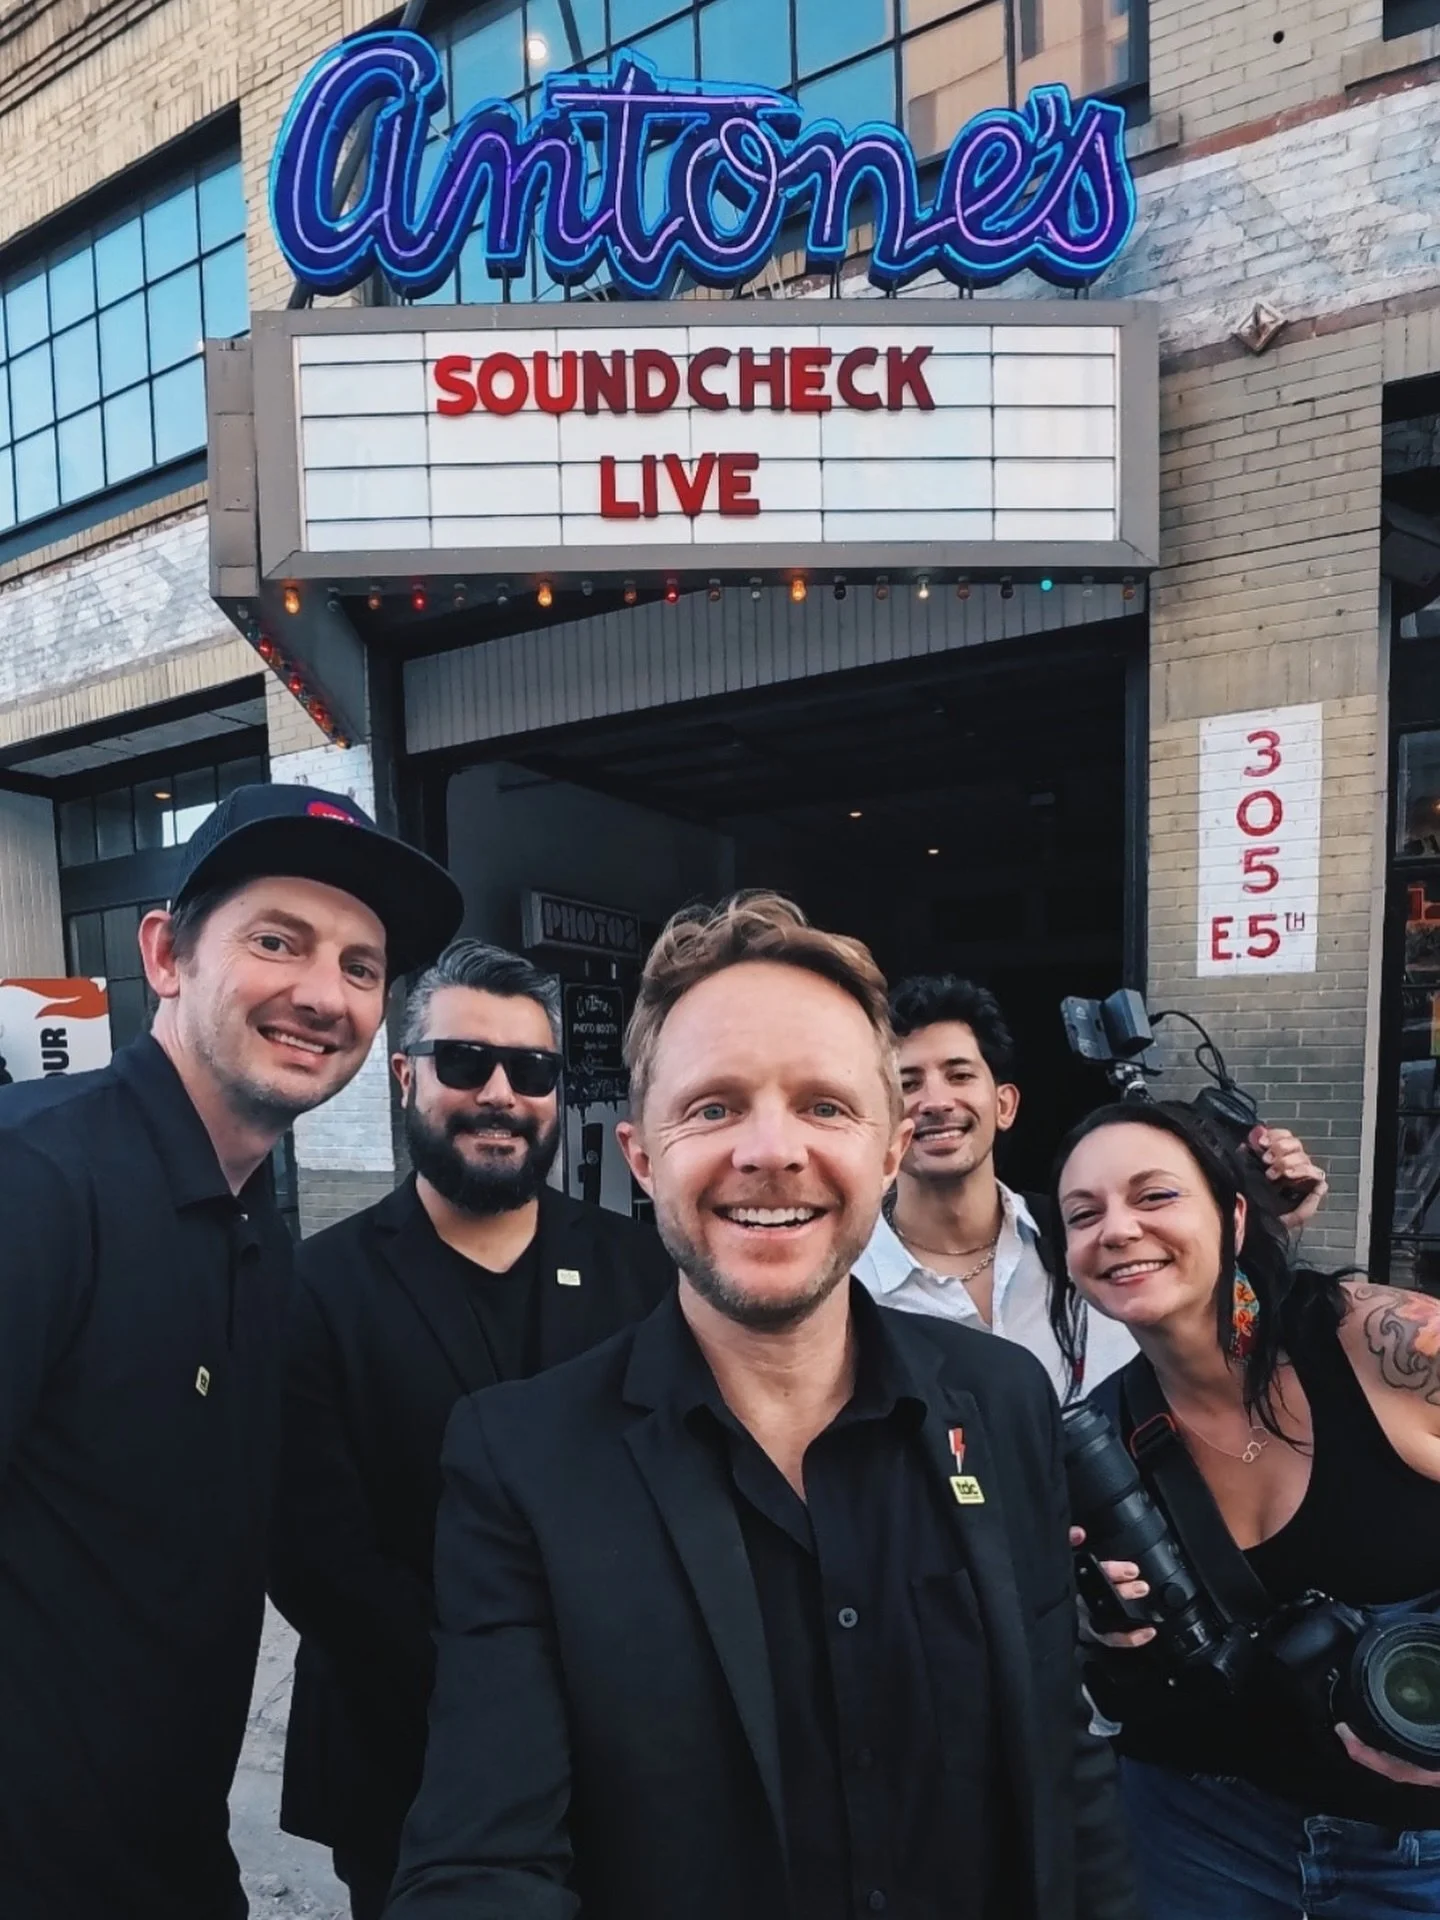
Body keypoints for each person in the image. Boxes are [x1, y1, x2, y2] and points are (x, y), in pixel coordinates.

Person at [385, 893, 1140, 1920]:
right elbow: (483, 1859)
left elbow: (1063, 1770)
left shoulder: (1002, 1402)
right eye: (713, 1107)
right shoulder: (522, 1460)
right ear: (644, 1162)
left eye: (825, 1106)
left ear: (887, 1150)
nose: (771, 1150)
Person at [0, 783, 462, 1920]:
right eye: (278, 941)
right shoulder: (38, 1186)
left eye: (363, 967)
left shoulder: (256, 1227)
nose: (325, 994)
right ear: (166, 954)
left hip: (173, 1863)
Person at [270, 939, 675, 1919]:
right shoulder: (314, 1289)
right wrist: (502, 1693)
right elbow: (315, 1551)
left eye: (530, 1071)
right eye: (465, 1063)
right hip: (401, 1756)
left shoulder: (642, 1271)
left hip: (631, 1749)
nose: (499, 1092)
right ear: (406, 1076)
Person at [1054, 1100, 1440, 1918]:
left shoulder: (1377, 1344)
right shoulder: (1099, 1440)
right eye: (1083, 1214)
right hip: (1197, 1832)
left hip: (1417, 1853)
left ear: (1233, 1218)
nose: (1116, 1229)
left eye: (1154, 1196)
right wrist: (1098, 1634)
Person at [855, 972, 1327, 1399]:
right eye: (908, 1084)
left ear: (1005, 1105)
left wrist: (1253, 1222)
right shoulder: (843, 1280)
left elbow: (1218, 1328)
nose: (936, 1101)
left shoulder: (1085, 1244)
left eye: (959, 1075)